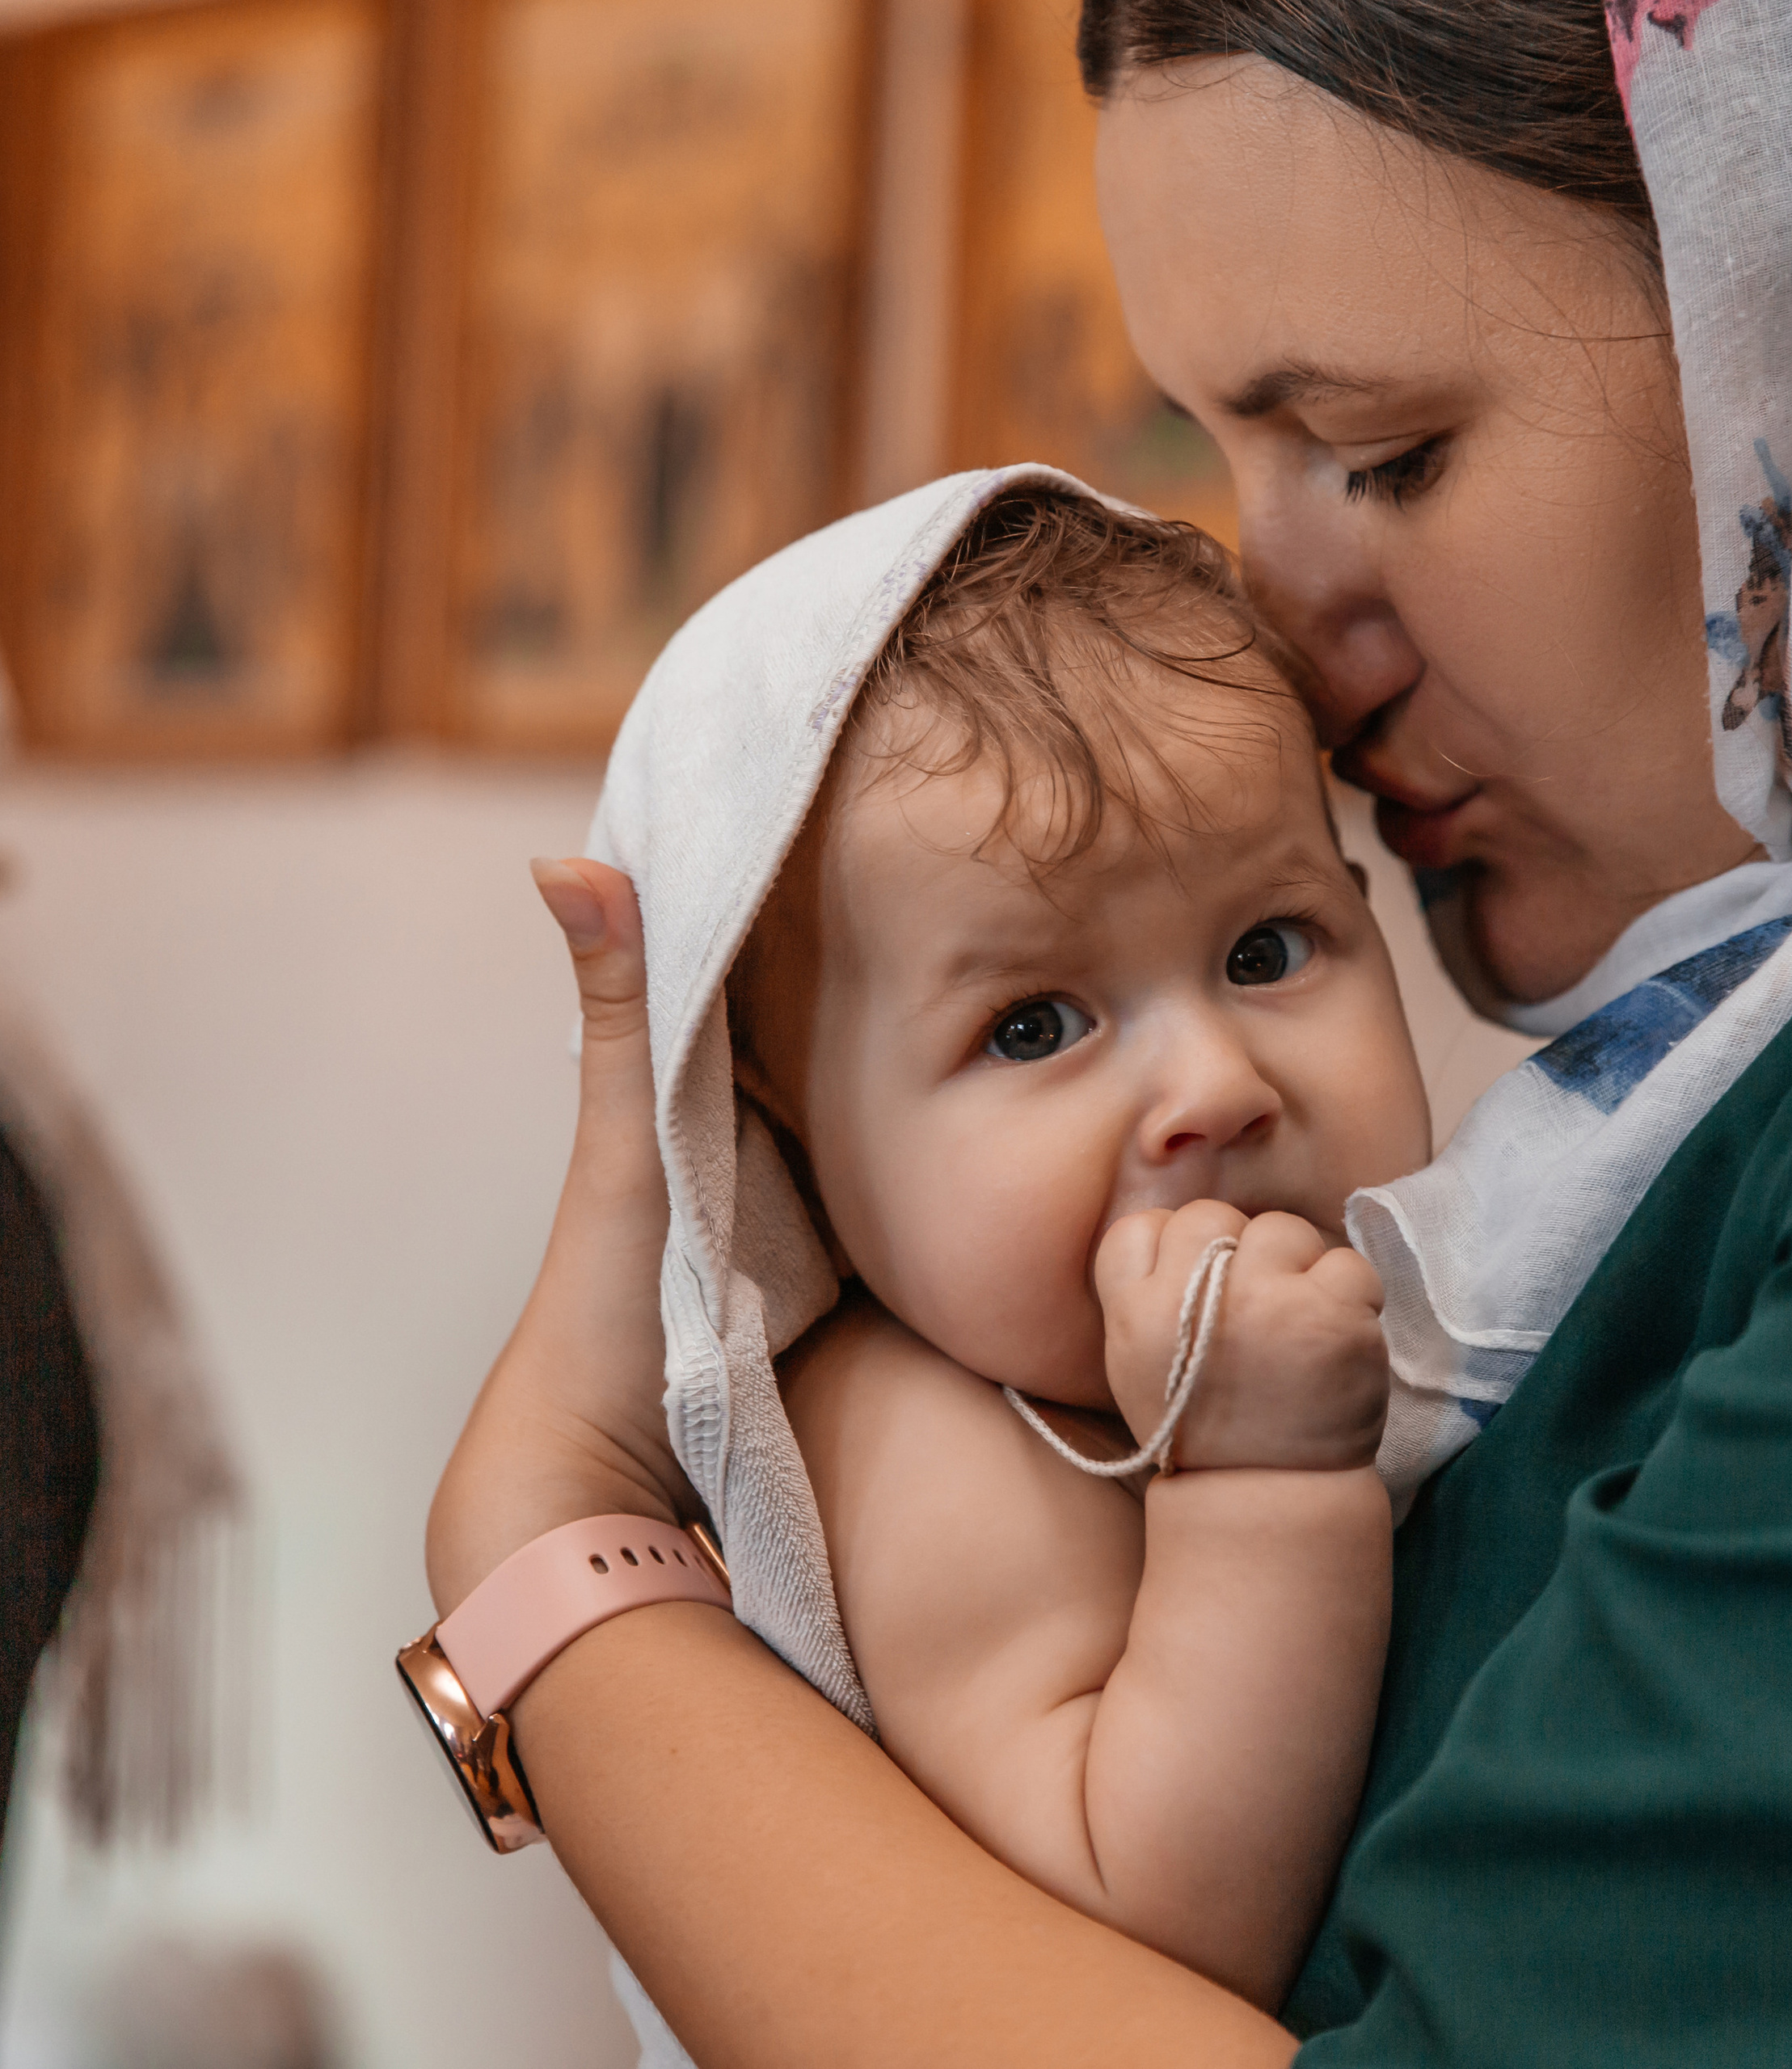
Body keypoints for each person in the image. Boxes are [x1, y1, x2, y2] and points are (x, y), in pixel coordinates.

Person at [424, 2, 1792, 2062]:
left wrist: (543, 1568)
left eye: (1381, 451)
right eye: (1222, 455)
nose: (1280, 634)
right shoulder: (1728, 1055)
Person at [545, 479, 1431, 2016]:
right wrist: (1260, 1480)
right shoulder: (927, 1446)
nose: (1215, 1087)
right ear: (785, 1135)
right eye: (1033, 1027)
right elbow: (1159, 1931)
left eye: (1267, 950)